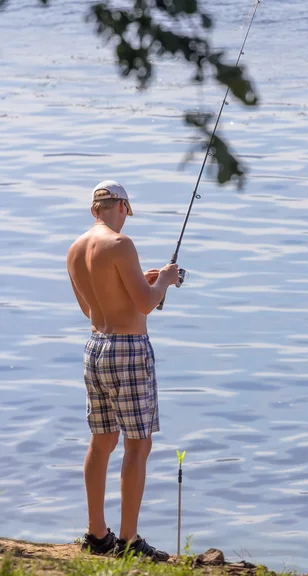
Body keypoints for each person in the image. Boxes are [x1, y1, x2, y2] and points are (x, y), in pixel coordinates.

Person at [66, 180, 179, 559]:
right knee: (138, 443)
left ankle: (97, 535)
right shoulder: (121, 244)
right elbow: (146, 305)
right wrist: (164, 280)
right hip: (128, 351)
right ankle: (129, 542)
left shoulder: (75, 249)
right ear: (122, 207)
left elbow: (93, 308)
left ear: (94, 208)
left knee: (101, 441)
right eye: (127, 212)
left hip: (95, 348)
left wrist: (142, 284)